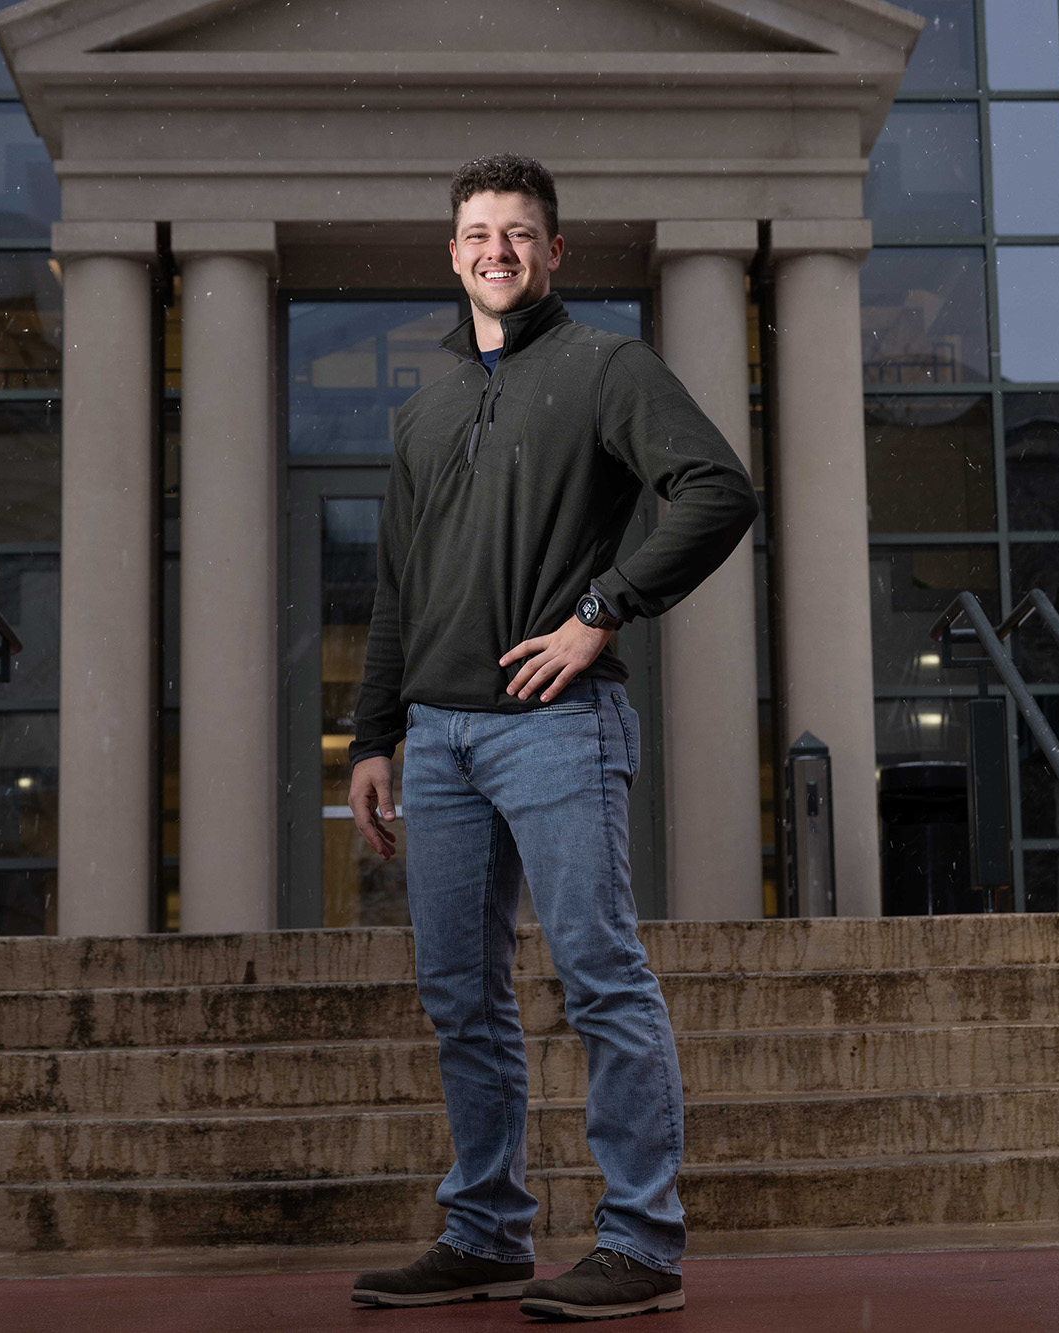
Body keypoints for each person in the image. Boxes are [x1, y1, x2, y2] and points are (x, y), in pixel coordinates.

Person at [345, 154, 759, 1322]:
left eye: (520, 233)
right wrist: (374, 735)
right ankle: (483, 1231)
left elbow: (716, 490)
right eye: (478, 233)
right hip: (437, 740)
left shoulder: (603, 367)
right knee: (457, 994)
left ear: (554, 252)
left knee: (598, 976)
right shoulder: (421, 409)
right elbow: (395, 588)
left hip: (556, 726)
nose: (497, 250)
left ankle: (639, 1242)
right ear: (453, 253)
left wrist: (598, 612)